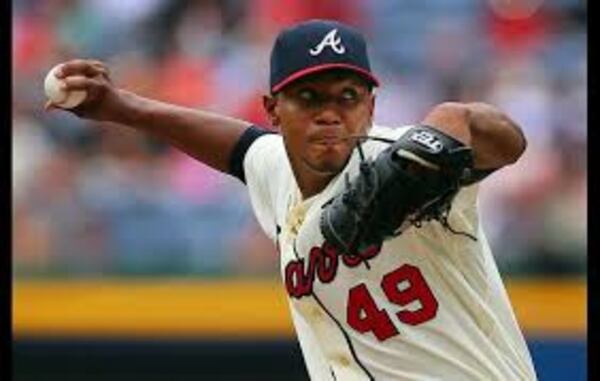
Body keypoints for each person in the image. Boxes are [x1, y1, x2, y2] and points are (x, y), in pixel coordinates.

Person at [45, 19, 537, 381]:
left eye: (347, 97)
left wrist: (453, 120)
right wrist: (121, 106)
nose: (329, 113)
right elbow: (238, 148)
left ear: (371, 108)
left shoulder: (414, 159)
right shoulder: (277, 168)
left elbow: (505, 142)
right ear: (273, 111)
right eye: (308, 97)